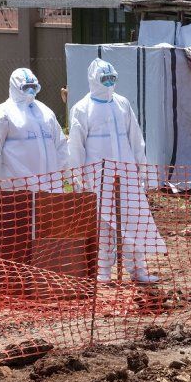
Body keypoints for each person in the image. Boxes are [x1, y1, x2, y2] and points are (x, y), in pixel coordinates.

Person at [67, 58, 166, 284]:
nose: (109, 83)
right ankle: (102, 272)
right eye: (105, 79)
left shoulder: (122, 104)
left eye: (112, 78)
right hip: (98, 176)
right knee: (103, 224)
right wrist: (78, 177)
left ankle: (138, 270)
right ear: (94, 79)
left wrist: (142, 169)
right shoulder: (82, 108)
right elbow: (76, 146)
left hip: (127, 174)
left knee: (134, 220)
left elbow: (136, 139)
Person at [0, 68, 67, 192]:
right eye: (26, 87)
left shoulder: (46, 112)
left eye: (33, 87)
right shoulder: (2, 113)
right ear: (15, 87)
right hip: (17, 188)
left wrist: (69, 173)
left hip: (50, 188)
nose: (30, 91)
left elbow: (61, 145)